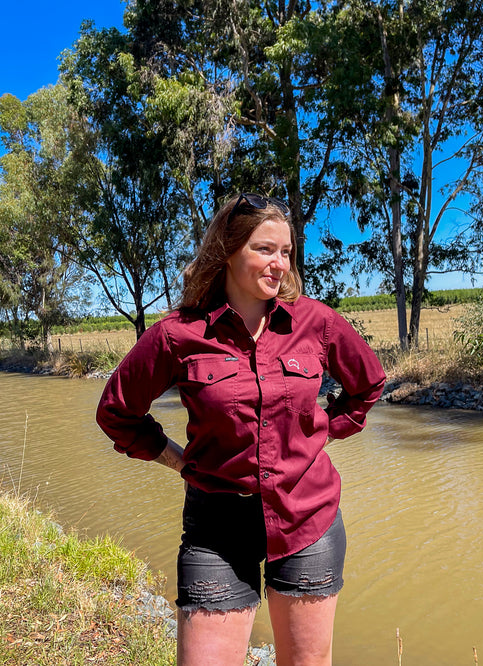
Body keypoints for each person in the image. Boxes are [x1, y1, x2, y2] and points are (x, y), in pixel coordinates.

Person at [96, 192, 386, 666]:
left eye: (287, 252)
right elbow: (116, 411)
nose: (280, 264)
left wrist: (324, 430)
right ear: (228, 251)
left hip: (306, 518)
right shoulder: (178, 334)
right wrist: (176, 459)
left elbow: (369, 384)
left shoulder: (316, 322)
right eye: (264, 249)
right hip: (217, 529)